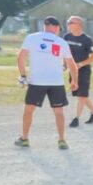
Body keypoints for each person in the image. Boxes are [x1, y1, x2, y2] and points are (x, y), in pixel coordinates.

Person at [15, 15, 79, 149]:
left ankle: (25, 138)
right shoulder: (61, 42)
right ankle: (62, 140)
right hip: (56, 83)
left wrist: (22, 76)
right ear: (56, 28)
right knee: (58, 111)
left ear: (45, 26)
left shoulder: (31, 38)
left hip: (37, 82)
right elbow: (71, 65)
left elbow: (20, 58)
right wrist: (74, 81)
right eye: (58, 29)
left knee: (29, 109)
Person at [63, 15, 93, 126]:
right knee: (80, 94)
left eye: (71, 22)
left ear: (79, 25)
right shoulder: (66, 37)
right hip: (72, 70)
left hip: (84, 70)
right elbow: (64, 53)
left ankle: (76, 118)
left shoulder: (87, 39)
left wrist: (81, 64)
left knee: (82, 94)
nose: (69, 24)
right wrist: (64, 64)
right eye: (68, 22)